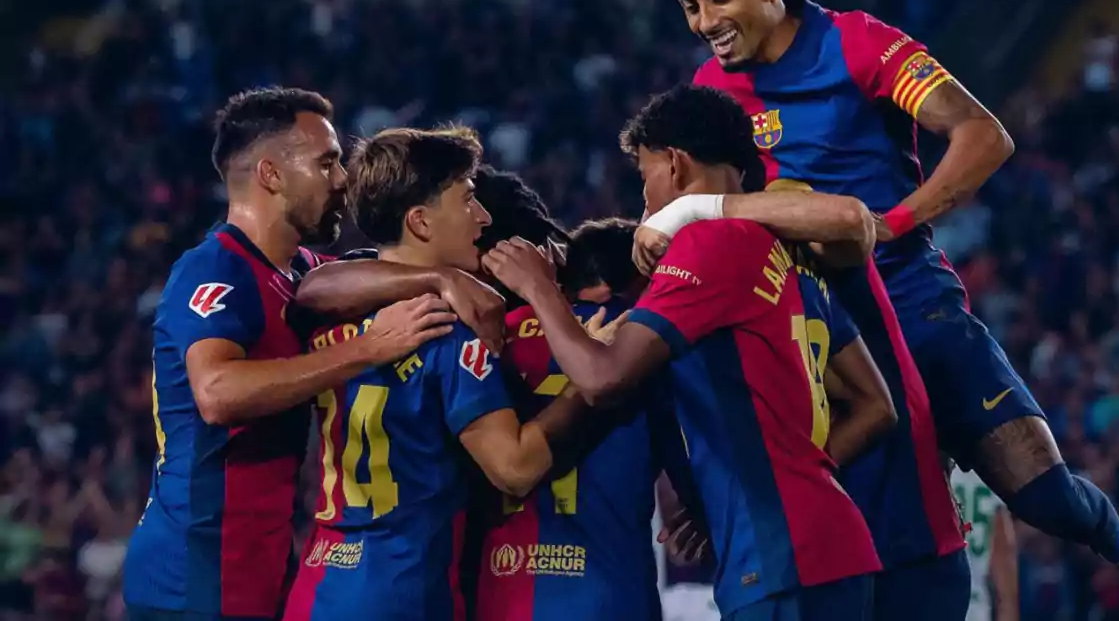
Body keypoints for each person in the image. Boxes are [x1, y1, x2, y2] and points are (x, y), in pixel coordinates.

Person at [645, 0, 1119, 612]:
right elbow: (688, 208)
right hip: (817, 339)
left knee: (1041, 492)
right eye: (690, 6)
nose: (704, 21)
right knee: (859, 527)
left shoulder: (855, 42)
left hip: (914, 303)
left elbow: (982, 135)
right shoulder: (708, 92)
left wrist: (890, 224)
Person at [482, 86, 896, 621]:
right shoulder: (783, 252)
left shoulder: (705, 244)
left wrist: (540, 288)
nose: (646, 201)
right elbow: (876, 405)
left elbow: (603, 377)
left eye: (645, 176)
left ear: (674, 165)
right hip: (828, 542)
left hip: (773, 555)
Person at [123, 88, 473, 621]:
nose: (342, 179)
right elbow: (217, 394)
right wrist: (371, 346)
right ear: (271, 175)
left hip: (259, 569)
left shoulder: (301, 272)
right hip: (195, 576)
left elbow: (347, 278)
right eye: (327, 162)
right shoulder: (214, 268)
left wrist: (444, 273)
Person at [296, 164, 698, 621]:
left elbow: (317, 287)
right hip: (609, 595)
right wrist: (700, 499)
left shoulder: (448, 333)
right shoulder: (629, 336)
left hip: (479, 595)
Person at [282, 127, 590, 621]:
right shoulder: (448, 330)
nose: (483, 217)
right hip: (405, 593)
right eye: (468, 200)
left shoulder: (331, 321)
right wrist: (592, 383)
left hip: (319, 587)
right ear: (421, 222)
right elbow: (514, 468)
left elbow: (314, 287)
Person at [951, 465, 1018, 621]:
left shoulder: (924, 462)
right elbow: (1005, 556)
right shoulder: (989, 469)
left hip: (935, 603)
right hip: (976, 607)